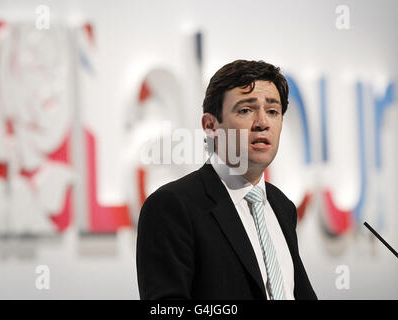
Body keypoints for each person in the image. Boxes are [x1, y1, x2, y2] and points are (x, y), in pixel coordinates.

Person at [136, 60, 317, 300]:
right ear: (210, 126)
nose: (262, 122)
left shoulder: (282, 207)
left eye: (273, 111)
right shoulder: (171, 207)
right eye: (245, 110)